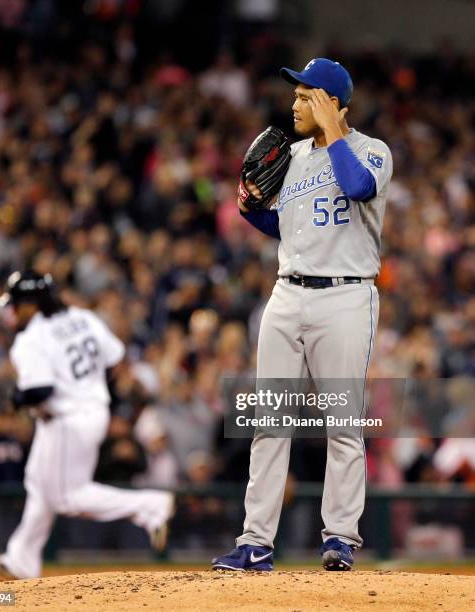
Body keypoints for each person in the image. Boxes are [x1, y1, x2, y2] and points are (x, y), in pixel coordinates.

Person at [212, 58, 393, 571]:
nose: (293, 105)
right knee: (270, 421)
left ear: (332, 103)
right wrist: (252, 212)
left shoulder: (372, 151)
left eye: (305, 96)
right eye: (295, 96)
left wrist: (333, 129)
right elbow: (290, 229)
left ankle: (340, 537)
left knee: (342, 422)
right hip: (287, 294)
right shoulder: (289, 156)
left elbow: (357, 187)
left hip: (346, 296)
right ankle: (255, 542)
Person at [0, 271, 174, 579]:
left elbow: (40, 390)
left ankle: (151, 506)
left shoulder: (31, 339)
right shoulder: (82, 317)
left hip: (68, 419)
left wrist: (17, 398)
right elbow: (115, 358)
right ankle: (21, 559)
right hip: (88, 411)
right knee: (37, 481)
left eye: (17, 304)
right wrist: (89, 388)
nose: (12, 311)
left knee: (68, 497)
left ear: (32, 304)